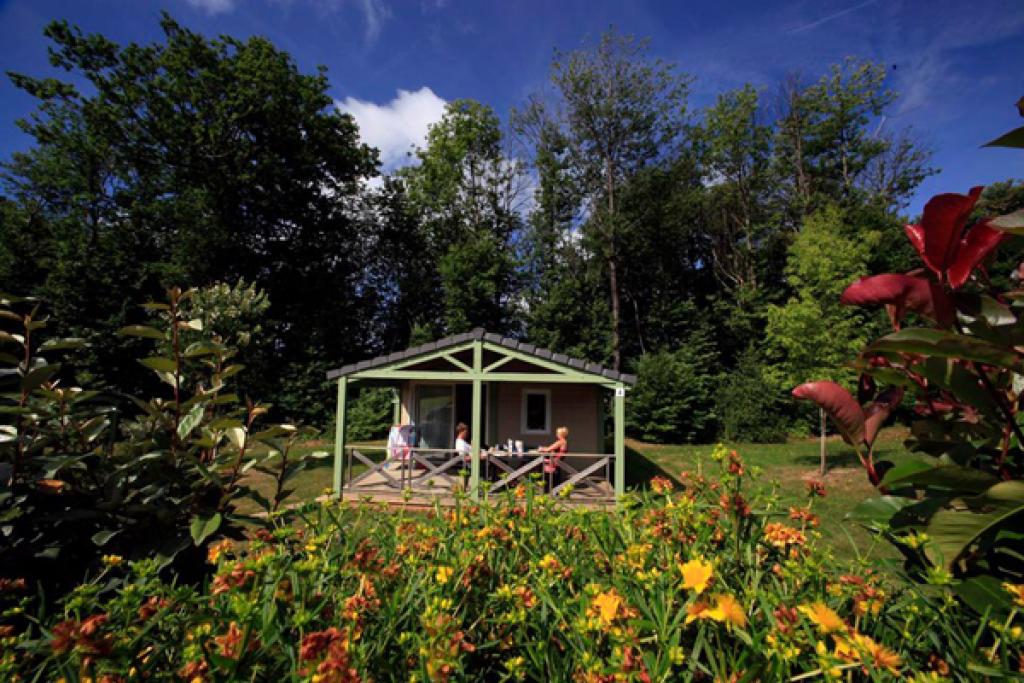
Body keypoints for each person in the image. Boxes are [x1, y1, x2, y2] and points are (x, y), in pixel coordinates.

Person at [539, 426, 569, 493]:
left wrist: (541, 449)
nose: (556, 434)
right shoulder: (564, 441)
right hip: (556, 462)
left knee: (537, 464)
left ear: (561, 434)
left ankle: (545, 489)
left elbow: (548, 449)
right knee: (538, 463)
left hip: (553, 463)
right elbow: (551, 448)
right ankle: (551, 490)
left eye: (557, 433)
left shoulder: (561, 441)